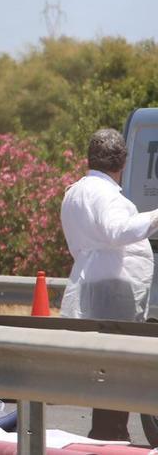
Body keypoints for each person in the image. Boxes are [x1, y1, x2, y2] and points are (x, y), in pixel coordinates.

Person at [59, 128, 158, 442]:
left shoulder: (75, 191)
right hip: (113, 291)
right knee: (117, 371)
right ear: (123, 163)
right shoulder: (106, 196)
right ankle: (111, 437)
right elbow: (118, 230)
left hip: (90, 286)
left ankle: (107, 434)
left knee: (105, 371)